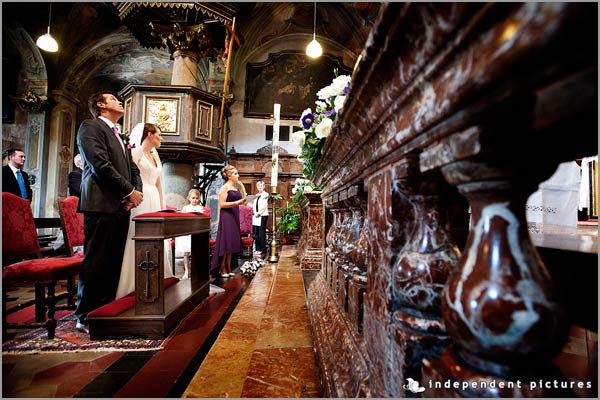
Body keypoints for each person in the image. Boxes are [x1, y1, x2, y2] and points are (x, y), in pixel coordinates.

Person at [75, 91, 143, 334]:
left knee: (114, 259)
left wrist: (135, 193)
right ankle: (85, 315)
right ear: (101, 105)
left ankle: (105, 311)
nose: (119, 102)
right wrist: (128, 192)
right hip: (101, 203)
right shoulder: (90, 127)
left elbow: (131, 167)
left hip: (120, 204)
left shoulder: (118, 133)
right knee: (97, 260)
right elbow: (99, 164)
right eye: (114, 99)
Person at [116, 122, 174, 299]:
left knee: (156, 239)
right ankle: (133, 283)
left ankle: (156, 279)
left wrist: (162, 208)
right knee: (138, 237)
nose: (161, 138)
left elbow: (159, 184)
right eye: (159, 134)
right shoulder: (136, 152)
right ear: (149, 135)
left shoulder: (155, 157)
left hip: (154, 198)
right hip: (140, 198)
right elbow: (129, 176)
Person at [210, 165, 246, 278]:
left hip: (234, 214)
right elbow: (222, 204)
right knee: (226, 241)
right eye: (235, 173)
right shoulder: (224, 188)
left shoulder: (235, 187)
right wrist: (237, 203)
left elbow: (238, 201)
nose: (238, 175)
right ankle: (222, 267)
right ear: (229, 176)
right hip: (227, 216)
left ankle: (229, 266)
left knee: (231, 242)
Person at [175, 188, 206, 279]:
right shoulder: (185, 208)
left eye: (197, 198)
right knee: (186, 253)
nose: (195, 200)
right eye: (193, 198)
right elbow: (182, 220)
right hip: (187, 233)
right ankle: (186, 271)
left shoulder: (201, 208)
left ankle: (196, 271)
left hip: (197, 232)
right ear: (189, 198)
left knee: (196, 252)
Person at [251, 180, 269, 259]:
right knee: (256, 232)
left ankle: (262, 249)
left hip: (262, 215)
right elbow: (254, 205)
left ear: (264, 187)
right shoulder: (256, 195)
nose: (260, 188)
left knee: (261, 232)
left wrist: (259, 213)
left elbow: (264, 205)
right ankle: (257, 248)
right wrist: (255, 212)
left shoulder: (266, 194)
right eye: (258, 186)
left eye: (261, 186)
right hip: (256, 215)